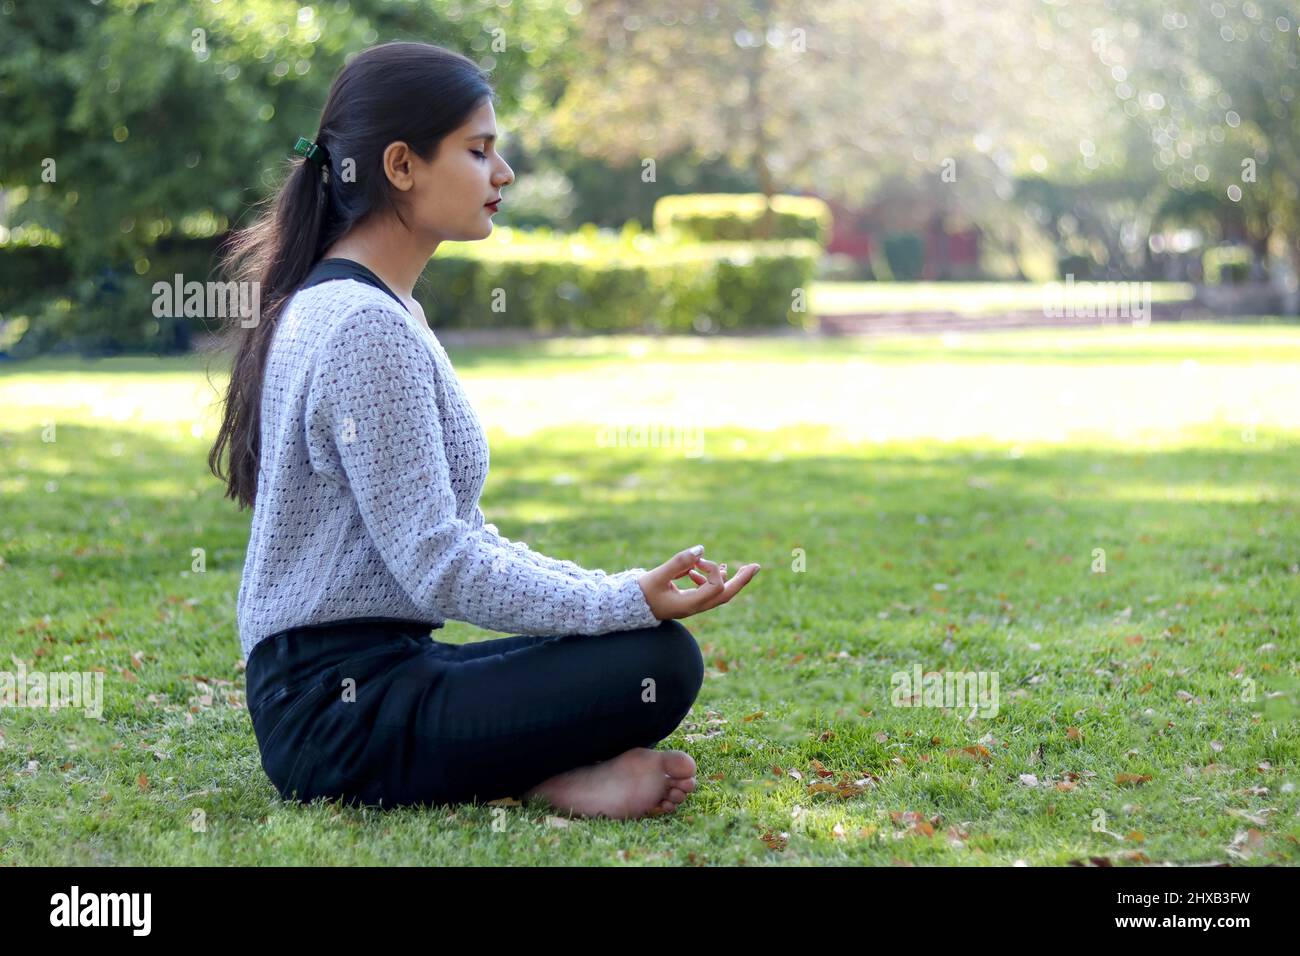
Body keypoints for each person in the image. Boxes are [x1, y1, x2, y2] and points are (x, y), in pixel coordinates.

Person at [206, 41, 761, 819]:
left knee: (642, 651)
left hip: (378, 675)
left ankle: (530, 772)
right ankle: (539, 780)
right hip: (333, 715)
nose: (502, 175)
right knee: (657, 663)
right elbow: (440, 564)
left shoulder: (376, 306)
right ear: (401, 165)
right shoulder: (361, 324)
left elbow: (461, 535)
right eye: (478, 150)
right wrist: (625, 603)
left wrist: (621, 592)